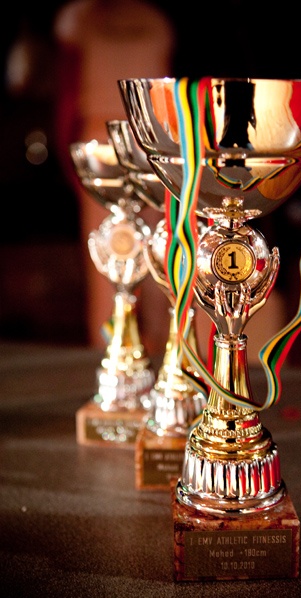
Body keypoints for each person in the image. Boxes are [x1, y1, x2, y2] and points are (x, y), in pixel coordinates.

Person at [53, 0, 176, 352]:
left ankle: (140, 349)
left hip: (138, 134)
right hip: (127, 135)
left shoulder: (89, 17)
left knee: (139, 247)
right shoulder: (90, 16)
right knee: (129, 246)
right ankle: (126, 349)